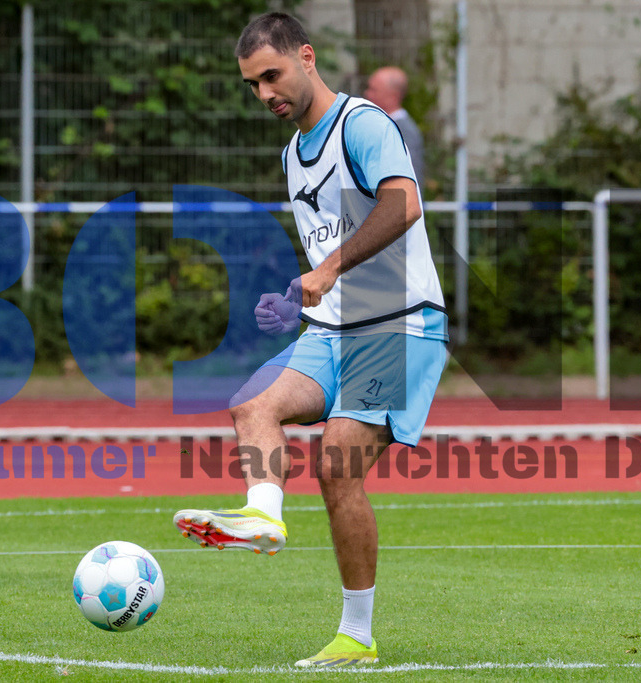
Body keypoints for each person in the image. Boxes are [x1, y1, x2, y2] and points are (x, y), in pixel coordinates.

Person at [172, 11, 448, 668]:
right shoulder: (292, 154)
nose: (266, 92)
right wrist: (297, 294)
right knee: (253, 403)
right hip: (336, 326)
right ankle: (263, 514)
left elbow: (403, 203)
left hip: (399, 321)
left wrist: (327, 270)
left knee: (338, 462)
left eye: (272, 74)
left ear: (306, 56)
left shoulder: (363, 124)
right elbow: (329, 245)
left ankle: (357, 633)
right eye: (252, 84)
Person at [364, 66, 425, 188]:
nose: (367, 94)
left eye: (374, 90)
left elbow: (409, 181)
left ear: (393, 96)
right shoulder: (382, 125)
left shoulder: (404, 131)